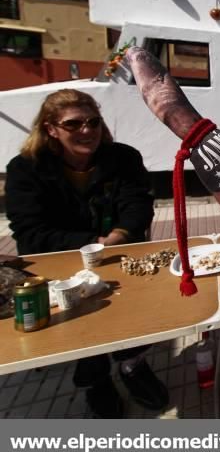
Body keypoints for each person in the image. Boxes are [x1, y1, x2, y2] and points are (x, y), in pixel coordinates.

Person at [4, 89, 167, 418]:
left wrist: (117, 237)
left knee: (134, 310)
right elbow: (31, 233)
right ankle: (95, 381)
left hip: (118, 252)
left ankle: (131, 365)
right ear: (51, 128)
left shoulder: (123, 158)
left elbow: (138, 206)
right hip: (59, 260)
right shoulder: (26, 169)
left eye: (92, 121)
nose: (86, 130)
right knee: (81, 319)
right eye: (73, 123)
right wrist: (93, 241)